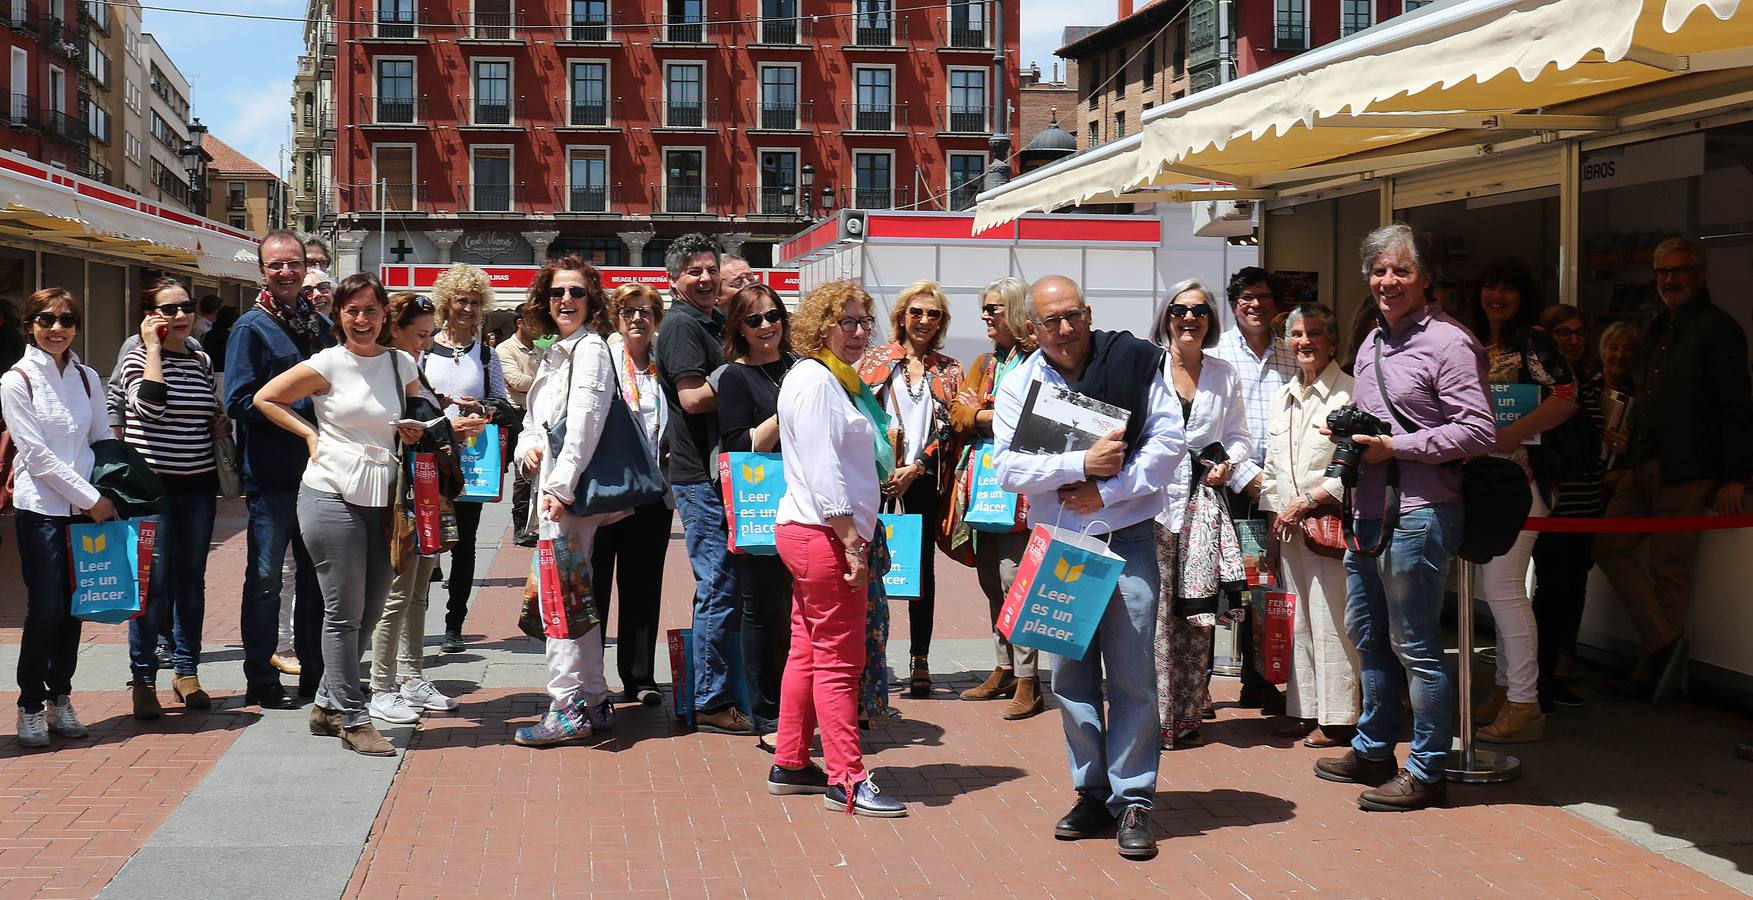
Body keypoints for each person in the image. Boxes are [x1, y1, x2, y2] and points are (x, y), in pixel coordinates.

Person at [994, 275, 1182, 860]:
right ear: (1032, 328)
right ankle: (1090, 790)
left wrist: (1109, 489)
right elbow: (1007, 469)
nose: (1065, 329)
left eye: (1073, 315)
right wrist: (1081, 461)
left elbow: (1169, 444)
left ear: (1089, 313)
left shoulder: (1133, 362)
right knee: (1071, 680)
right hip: (1058, 545)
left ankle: (1134, 800)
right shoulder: (1021, 381)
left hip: (1124, 535)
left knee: (1131, 675)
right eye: (1051, 321)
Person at [1312, 223, 1495, 812]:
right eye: (1379, 271)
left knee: (1415, 645)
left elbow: (1478, 430)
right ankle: (1372, 748)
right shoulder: (1370, 344)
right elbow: (1375, 421)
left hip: (1421, 513)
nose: (1387, 282)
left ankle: (1426, 769)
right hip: (1366, 513)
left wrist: (1398, 449)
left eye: (1400, 271)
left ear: (1426, 278)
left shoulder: (1449, 342)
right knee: (1369, 637)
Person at [255, 273, 423, 756]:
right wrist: (308, 433)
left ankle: (327, 703)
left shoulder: (400, 363)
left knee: (369, 612)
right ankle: (353, 715)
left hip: (382, 494)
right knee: (343, 613)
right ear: (339, 316)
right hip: (330, 491)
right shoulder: (328, 362)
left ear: (385, 314)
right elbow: (266, 398)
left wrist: (430, 424)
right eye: (352, 311)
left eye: (371, 310)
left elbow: (420, 406)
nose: (362, 319)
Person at [763, 279, 908, 818]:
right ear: (821, 325)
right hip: (825, 535)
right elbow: (825, 470)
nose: (858, 333)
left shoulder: (825, 379)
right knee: (839, 661)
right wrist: (851, 540)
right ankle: (846, 779)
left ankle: (791, 760)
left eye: (865, 322)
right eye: (846, 322)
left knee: (807, 648)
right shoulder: (818, 382)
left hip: (814, 532)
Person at [1594, 237, 1752, 702]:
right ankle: (1664, 644)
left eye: (1678, 271)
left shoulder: (1719, 328)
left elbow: (1737, 407)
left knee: (1670, 568)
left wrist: (1737, 478)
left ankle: (1655, 669)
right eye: (1662, 272)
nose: (1669, 280)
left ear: (1699, 275)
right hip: (1643, 465)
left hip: (1689, 469)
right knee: (1607, 544)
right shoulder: (1660, 327)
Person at [1461, 258, 1580, 745]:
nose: (1498, 295)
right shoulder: (1473, 340)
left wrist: (1513, 432)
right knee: (1499, 589)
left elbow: (1567, 395)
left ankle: (1526, 701)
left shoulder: (1532, 341)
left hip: (1522, 480)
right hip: (1487, 481)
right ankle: (1510, 689)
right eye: (1491, 284)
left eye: (1509, 287)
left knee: (1505, 588)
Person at [511, 256, 621, 746]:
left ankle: (566, 704)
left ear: (591, 300)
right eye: (558, 293)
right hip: (559, 492)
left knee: (560, 599)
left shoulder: (590, 349)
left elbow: (585, 424)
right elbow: (536, 423)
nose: (566, 301)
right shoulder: (558, 351)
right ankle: (593, 698)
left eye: (577, 292)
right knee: (575, 596)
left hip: (566, 499)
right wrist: (524, 447)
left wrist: (560, 486)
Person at [225, 229, 329, 710]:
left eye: (293, 263)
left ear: (305, 267)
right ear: (261, 270)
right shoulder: (252, 326)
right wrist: (303, 407)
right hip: (271, 476)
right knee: (265, 580)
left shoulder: (319, 325)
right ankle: (260, 677)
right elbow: (238, 400)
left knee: (315, 581)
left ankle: (314, 672)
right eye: (275, 265)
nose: (286, 272)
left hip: (320, 474)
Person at [367, 292, 483, 725]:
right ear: (394, 329)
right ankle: (382, 685)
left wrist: (451, 426)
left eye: (429, 335)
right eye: (419, 335)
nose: (425, 343)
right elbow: (390, 429)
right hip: (399, 496)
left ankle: (412, 676)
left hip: (428, 493)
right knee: (396, 595)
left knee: (418, 593)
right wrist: (445, 425)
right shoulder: (384, 370)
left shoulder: (411, 369)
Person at [3, 288, 112, 748]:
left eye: (67, 320)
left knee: (74, 611)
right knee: (45, 609)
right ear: (30, 324)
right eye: (46, 319)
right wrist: (90, 499)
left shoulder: (87, 377)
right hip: (41, 510)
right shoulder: (17, 380)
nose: (57, 328)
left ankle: (60, 697)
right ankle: (29, 703)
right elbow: (38, 456)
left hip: (86, 512)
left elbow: (103, 437)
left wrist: (108, 492)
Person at [1149, 281, 1254, 749]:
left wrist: (1227, 463)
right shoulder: (1148, 368)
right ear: (1166, 315)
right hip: (1150, 506)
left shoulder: (1224, 373)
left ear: (1211, 321)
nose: (1189, 318)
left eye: (1199, 311)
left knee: (1195, 618)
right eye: (1180, 309)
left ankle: (1187, 714)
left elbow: (1239, 436)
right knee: (1150, 615)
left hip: (1201, 508)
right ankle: (1152, 717)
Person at [118, 278, 227, 719]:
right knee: (151, 585)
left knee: (191, 583)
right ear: (149, 316)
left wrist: (217, 422)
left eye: (186, 307)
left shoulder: (201, 356)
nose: (180, 316)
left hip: (198, 485)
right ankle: (143, 679)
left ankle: (186, 672)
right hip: (151, 491)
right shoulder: (136, 354)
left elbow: (207, 409)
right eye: (168, 309)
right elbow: (149, 407)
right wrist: (154, 350)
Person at [654, 233, 749, 735]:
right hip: (698, 476)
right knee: (718, 583)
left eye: (711, 268)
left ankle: (716, 686)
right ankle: (711, 699)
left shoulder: (712, 321)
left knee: (725, 582)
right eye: (694, 271)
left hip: (724, 471)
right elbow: (692, 399)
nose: (707, 278)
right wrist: (749, 378)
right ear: (674, 280)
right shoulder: (680, 326)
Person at [1257, 303, 1360, 747]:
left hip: (1330, 525)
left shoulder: (1349, 393)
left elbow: (1351, 468)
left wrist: (1307, 502)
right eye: (1297, 334)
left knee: (1332, 617)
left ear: (1332, 341)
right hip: (1289, 527)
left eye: (1315, 333)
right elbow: (1273, 468)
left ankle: (1338, 718)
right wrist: (1272, 525)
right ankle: (1304, 709)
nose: (1304, 342)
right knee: (1297, 619)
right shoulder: (1283, 396)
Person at [855, 280, 963, 698]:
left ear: (942, 322)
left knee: (921, 573)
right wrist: (884, 466)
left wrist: (916, 466)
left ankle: (920, 660)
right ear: (901, 316)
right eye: (916, 312)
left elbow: (952, 430)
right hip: (874, 478)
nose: (924, 320)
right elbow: (858, 415)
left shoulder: (948, 369)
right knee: (865, 567)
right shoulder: (874, 362)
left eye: (932, 314)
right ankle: (868, 656)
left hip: (923, 480)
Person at [948, 276, 1042, 719]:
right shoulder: (986, 363)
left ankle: (1029, 680)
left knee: (1014, 580)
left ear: (1018, 312)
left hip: (1021, 490)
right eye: (984, 308)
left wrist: (981, 414)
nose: (986, 316)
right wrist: (986, 416)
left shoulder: (1039, 361)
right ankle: (1003, 667)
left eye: (994, 309)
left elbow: (1031, 419)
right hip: (982, 486)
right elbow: (957, 415)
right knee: (990, 580)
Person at [1209, 266, 1298, 714]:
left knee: (1262, 587)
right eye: (1246, 297)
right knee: (1220, 586)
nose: (1255, 305)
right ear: (1233, 304)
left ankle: (1259, 681)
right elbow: (1215, 429)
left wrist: (1276, 485)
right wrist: (1248, 477)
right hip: (1231, 488)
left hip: (1277, 493)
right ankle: (1198, 684)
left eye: (1263, 297)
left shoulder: (1290, 355)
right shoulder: (1218, 354)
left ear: (1276, 304)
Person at [717, 283, 797, 747]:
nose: (767, 326)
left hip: (808, 501)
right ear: (740, 329)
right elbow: (738, 446)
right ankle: (766, 713)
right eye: (755, 320)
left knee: (800, 611)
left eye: (773, 316)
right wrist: (785, 409)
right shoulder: (734, 377)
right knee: (762, 610)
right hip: (760, 505)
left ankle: (799, 702)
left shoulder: (801, 366)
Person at [590, 283, 671, 707]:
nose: (638, 318)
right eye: (629, 311)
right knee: (598, 582)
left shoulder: (665, 365)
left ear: (657, 320)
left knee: (643, 586)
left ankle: (640, 676)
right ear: (616, 317)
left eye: (647, 312)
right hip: (608, 489)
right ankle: (592, 678)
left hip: (653, 491)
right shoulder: (602, 359)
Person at [424, 263, 510, 654]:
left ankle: (454, 624)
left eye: (475, 303)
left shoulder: (488, 355)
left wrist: (483, 408)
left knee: (466, 543)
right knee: (425, 540)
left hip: (472, 464)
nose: (468, 309)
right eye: (461, 300)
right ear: (447, 302)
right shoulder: (425, 349)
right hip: (428, 458)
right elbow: (412, 399)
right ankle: (415, 616)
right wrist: (438, 409)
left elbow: (502, 405)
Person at [1530, 304, 1607, 710]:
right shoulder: (1548, 388)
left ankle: (1557, 670)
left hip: (1587, 505)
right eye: (1564, 333)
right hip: (1558, 508)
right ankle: (1538, 683)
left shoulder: (1590, 382)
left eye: (1579, 333)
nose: (1574, 340)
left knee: (1572, 591)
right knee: (1552, 594)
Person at [498, 302, 544, 547]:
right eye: (532, 321)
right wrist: (541, 381)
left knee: (535, 469)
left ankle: (531, 524)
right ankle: (519, 527)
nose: (537, 327)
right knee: (521, 473)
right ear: (519, 323)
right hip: (514, 415)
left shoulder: (538, 351)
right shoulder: (505, 349)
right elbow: (515, 381)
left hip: (535, 414)